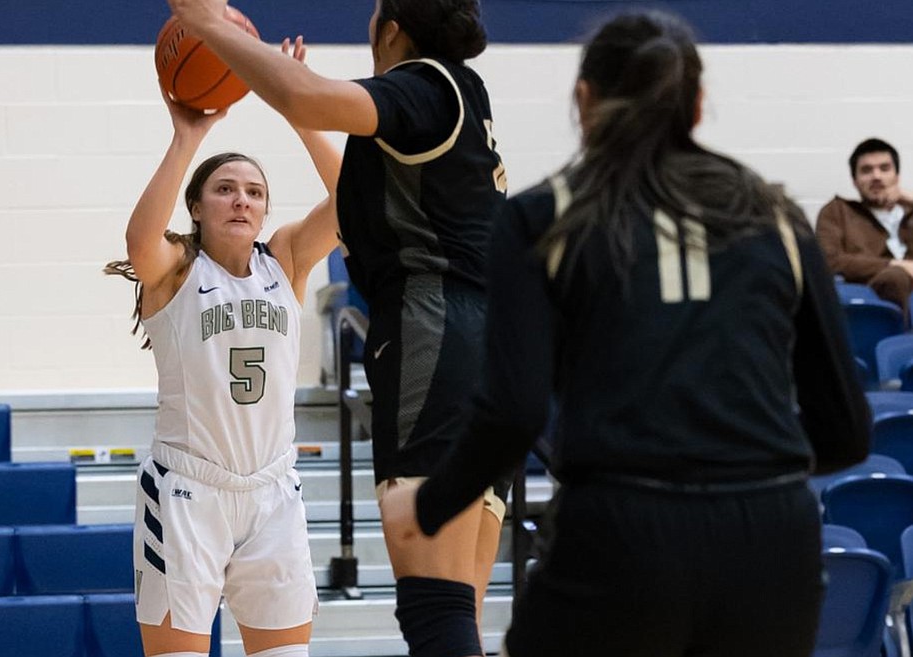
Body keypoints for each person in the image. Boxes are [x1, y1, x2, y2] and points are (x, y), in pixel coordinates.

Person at [381, 11, 871, 657]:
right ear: (696, 106)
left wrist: (432, 503)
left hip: (621, 524)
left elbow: (514, 411)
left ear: (583, 100)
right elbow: (847, 430)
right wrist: (742, 466)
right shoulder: (779, 216)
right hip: (772, 534)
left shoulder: (542, 214)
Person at [164, 2, 509, 656]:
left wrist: (206, 21)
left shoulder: (425, 84)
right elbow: (345, 186)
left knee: (435, 605)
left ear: (392, 31)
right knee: (457, 606)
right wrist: (305, 118)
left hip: (436, 337)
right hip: (491, 348)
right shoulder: (454, 105)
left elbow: (301, 95)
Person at [106, 39, 341, 657]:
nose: (242, 199)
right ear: (198, 207)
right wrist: (187, 137)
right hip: (187, 492)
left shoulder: (285, 260)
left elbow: (356, 203)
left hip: (272, 493)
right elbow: (139, 240)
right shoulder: (175, 272)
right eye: (226, 189)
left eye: (255, 192)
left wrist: (300, 111)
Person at [816, 138, 913, 312]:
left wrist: (909, 197)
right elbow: (828, 260)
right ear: (855, 180)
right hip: (873, 293)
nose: (876, 176)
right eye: (867, 170)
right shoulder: (838, 212)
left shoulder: (909, 210)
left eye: (884, 168)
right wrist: (896, 264)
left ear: (897, 176)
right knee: (895, 277)